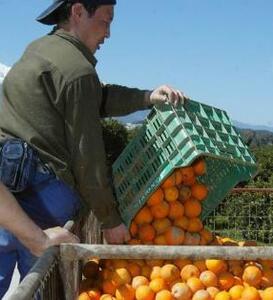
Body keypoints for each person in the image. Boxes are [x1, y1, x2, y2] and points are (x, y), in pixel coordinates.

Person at [0, 0, 186, 296]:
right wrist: (110, 220)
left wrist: (147, 96)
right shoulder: (77, 70)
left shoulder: (38, 50)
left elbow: (96, 98)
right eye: (106, 20)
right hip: (43, 195)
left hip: (8, 189)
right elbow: (88, 160)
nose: (108, 33)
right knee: (41, 286)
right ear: (77, 12)